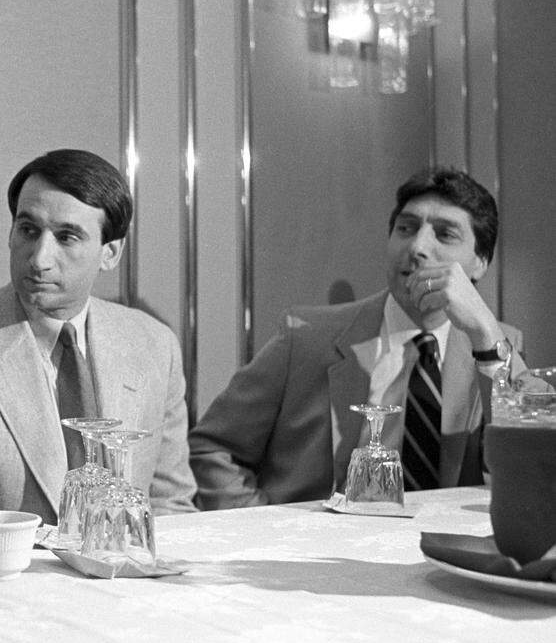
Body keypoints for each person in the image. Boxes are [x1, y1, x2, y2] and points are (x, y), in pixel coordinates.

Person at [0, 148, 196, 539]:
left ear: (110, 253)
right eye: (28, 230)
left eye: (67, 237)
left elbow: (172, 507)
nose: (39, 259)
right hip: (5, 590)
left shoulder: (155, 345)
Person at [189, 166, 527, 510]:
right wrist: (265, 530)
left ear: (480, 263)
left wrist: (485, 332)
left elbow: (535, 466)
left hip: (435, 554)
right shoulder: (306, 337)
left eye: (444, 234)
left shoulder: (497, 347)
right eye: (406, 229)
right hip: (313, 551)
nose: (417, 247)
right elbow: (214, 449)